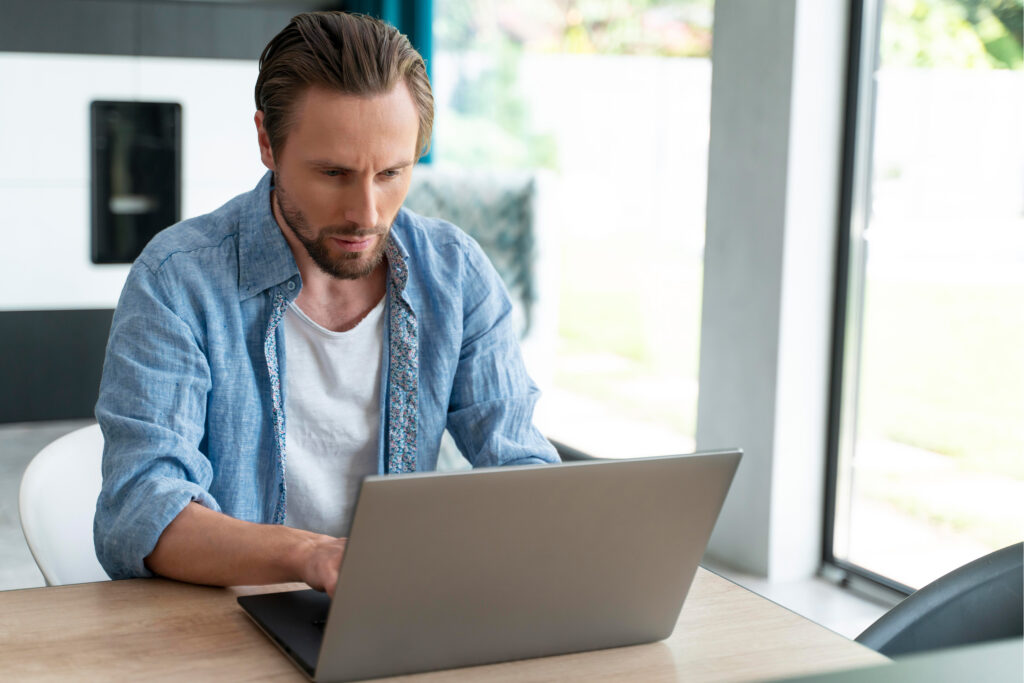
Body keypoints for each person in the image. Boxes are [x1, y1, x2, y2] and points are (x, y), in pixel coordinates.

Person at [93, 11, 558, 596]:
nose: (366, 213)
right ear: (267, 141)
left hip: (398, 610)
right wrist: (312, 556)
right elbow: (140, 511)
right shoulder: (177, 281)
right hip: (226, 618)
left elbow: (520, 467)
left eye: (391, 172)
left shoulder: (456, 273)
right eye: (334, 172)